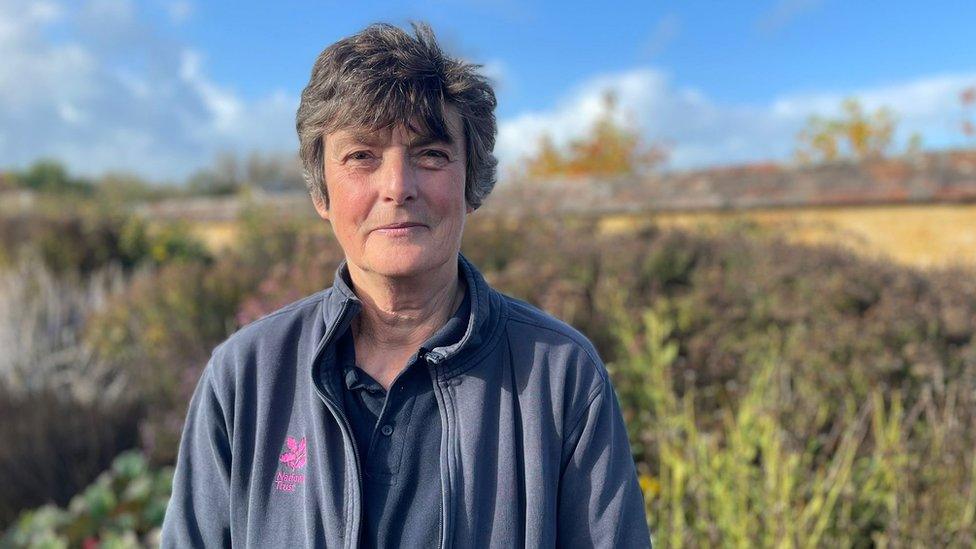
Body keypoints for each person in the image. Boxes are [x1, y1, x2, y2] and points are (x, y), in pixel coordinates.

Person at [161, 21, 652, 548]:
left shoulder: (561, 377)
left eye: (431, 155)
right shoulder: (245, 377)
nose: (398, 187)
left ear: (472, 183)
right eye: (361, 156)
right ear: (321, 192)